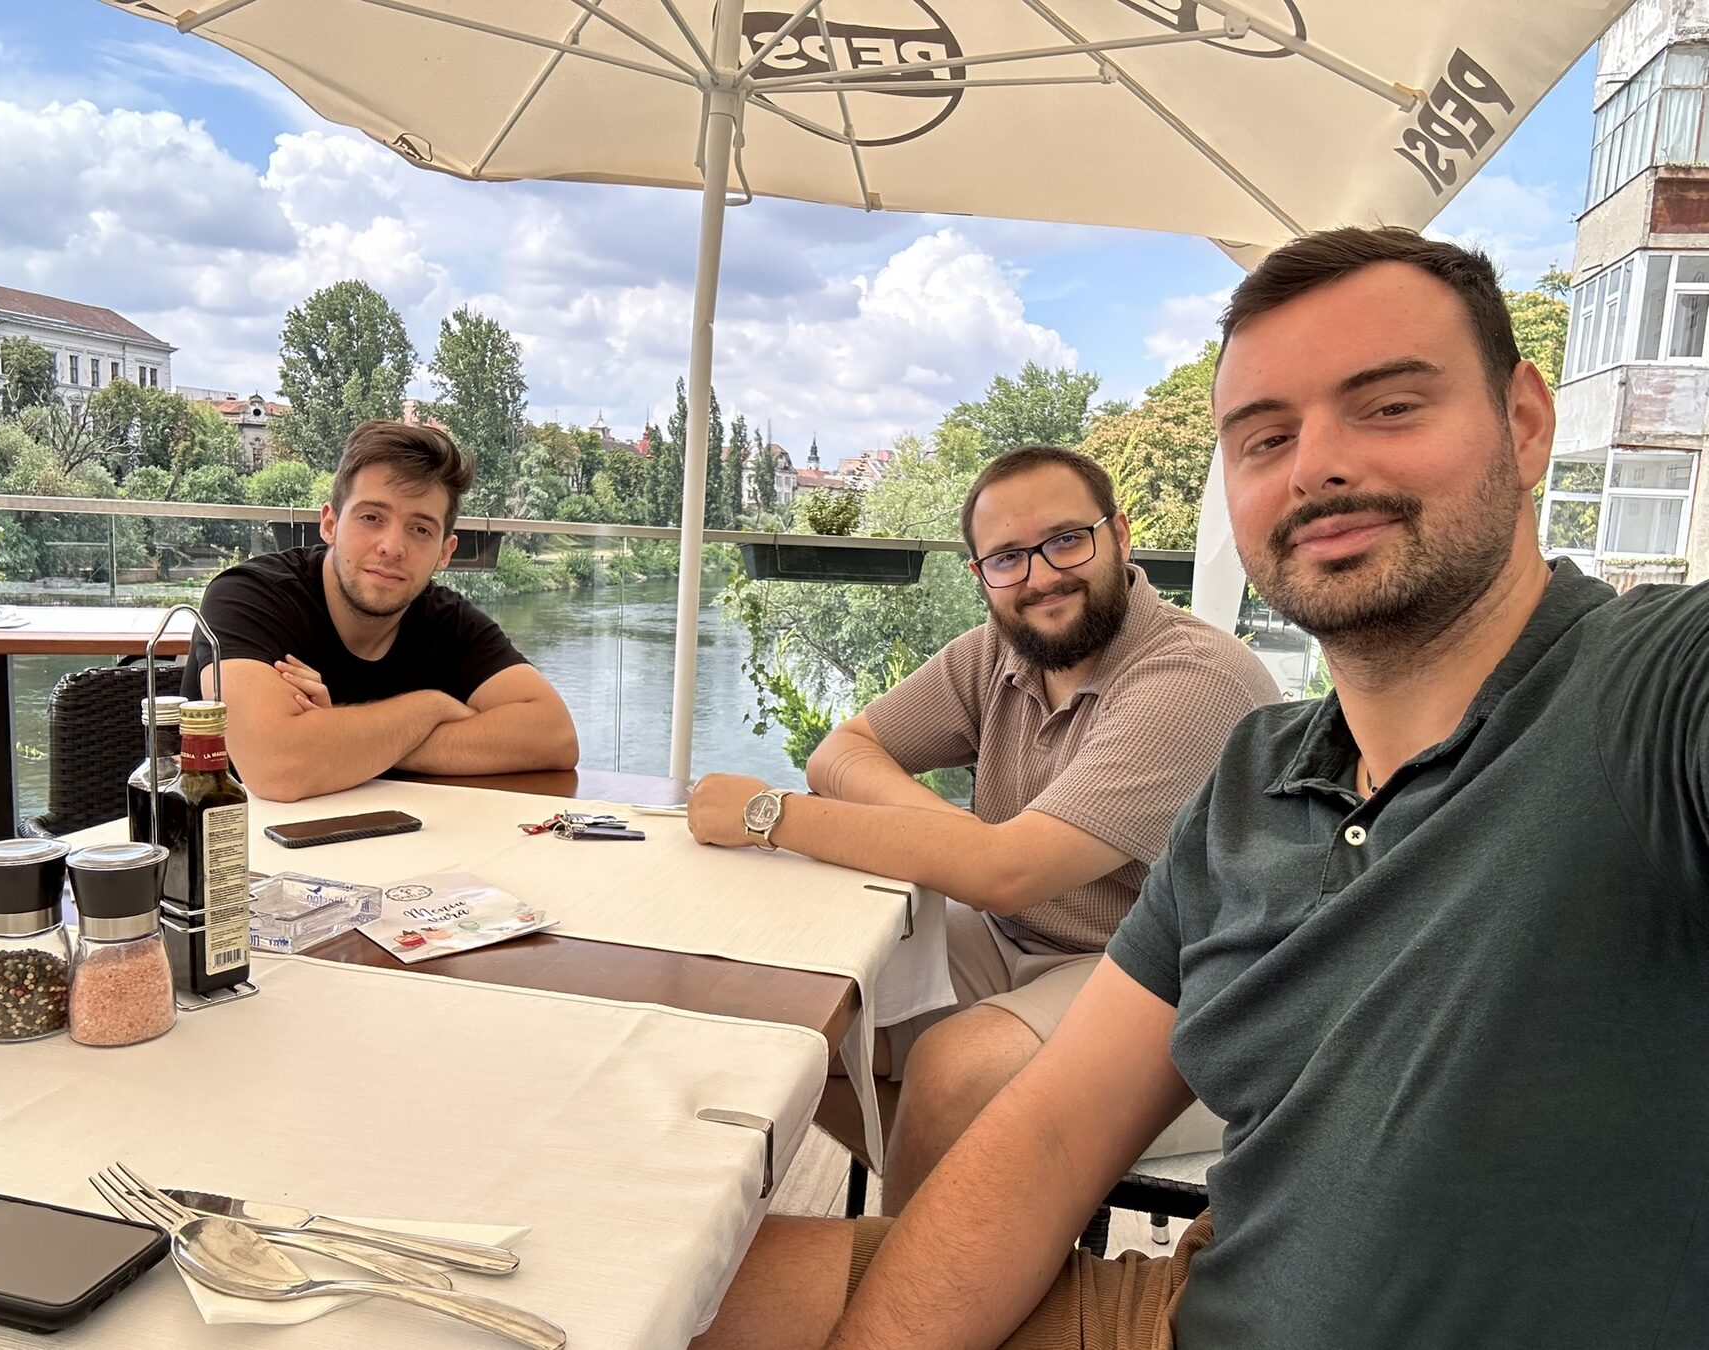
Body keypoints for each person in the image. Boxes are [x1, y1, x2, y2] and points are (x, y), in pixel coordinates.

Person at [692, 226, 1709, 1349]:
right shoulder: (1256, 784)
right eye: (1267, 437)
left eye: (1389, 407)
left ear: (1524, 423)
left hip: (1078, 989)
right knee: (674, 1291)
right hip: (1191, 1301)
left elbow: (1005, 868)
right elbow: (1050, 1135)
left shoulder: (1643, 697)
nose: (1317, 467)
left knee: (949, 1070)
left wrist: (787, 818)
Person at [688, 445, 1278, 1212]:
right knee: (788, 1004)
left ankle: (915, 1266)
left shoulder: (1194, 678)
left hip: (1179, 986)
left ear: (1120, 535)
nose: (1040, 575)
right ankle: (968, 1222)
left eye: (1066, 540)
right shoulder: (1001, 652)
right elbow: (841, 753)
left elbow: (1008, 873)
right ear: (980, 574)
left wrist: (768, 815)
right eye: (1007, 557)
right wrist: (959, 838)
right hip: (1014, 939)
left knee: (954, 1072)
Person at [181, 420, 577, 801]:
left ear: (444, 552)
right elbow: (276, 765)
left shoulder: (446, 619)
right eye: (371, 518)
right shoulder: (248, 598)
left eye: (420, 529)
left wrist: (338, 738)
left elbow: (555, 737)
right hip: (230, 842)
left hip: (401, 838)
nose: (392, 547)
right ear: (330, 524)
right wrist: (433, 707)